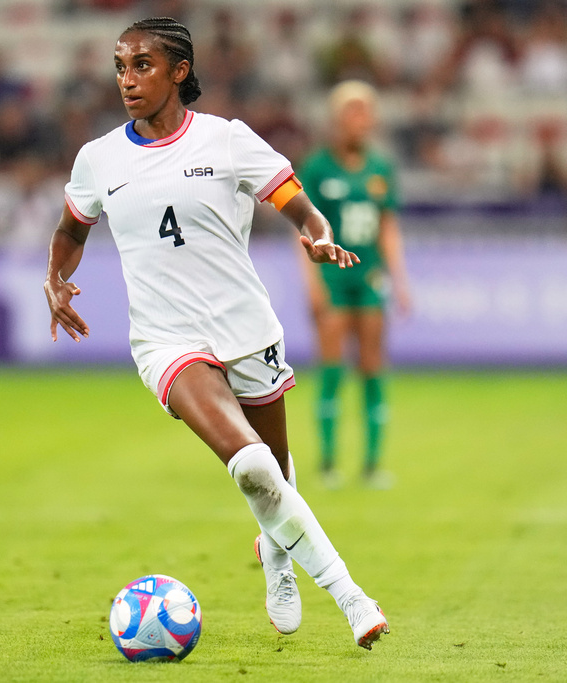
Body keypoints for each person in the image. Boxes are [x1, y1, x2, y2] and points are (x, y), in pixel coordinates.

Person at [43, 17, 390, 650]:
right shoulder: (99, 159)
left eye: (142, 65)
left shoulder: (228, 141)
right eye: (120, 66)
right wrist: (55, 278)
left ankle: (279, 559)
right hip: (166, 341)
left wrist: (316, 233)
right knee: (254, 467)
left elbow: (296, 203)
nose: (127, 79)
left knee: (276, 476)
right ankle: (353, 598)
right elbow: (71, 230)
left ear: (179, 71)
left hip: (246, 330)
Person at [298, 80, 411, 489]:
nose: (360, 121)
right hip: (331, 276)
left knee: (371, 364)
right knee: (331, 365)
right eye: (352, 112)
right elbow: (304, 230)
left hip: (370, 276)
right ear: (336, 118)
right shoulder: (317, 167)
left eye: (366, 112)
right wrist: (310, 280)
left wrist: (400, 281)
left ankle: (372, 464)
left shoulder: (380, 168)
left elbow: (388, 228)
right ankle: (329, 462)